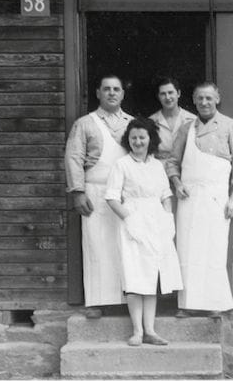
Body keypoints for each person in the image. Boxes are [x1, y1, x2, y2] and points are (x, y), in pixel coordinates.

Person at [167, 82, 233, 318]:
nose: (204, 103)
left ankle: (215, 303)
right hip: (189, 197)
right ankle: (187, 304)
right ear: (193, 100)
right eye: (200, 98)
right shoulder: (186, 128)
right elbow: (173, 161)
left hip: (216, 197)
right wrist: (178, 183)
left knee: (213, 249)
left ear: (217, 99)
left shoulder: (230, 126)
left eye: (209, 98)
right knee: (187, 248)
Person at [105, 117, 183, 346]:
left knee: (152, 275)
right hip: (132, 222)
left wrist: (168, 219)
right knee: (134, 275)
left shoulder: (157, 165)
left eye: (142, 137)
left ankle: (150, 330)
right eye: (133, 138)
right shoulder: (122, 165)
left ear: (150, 139)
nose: (138, 142)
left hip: (156, 222)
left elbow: (165, 195)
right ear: (128, 140)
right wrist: (130, 219)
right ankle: (137, 331)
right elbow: (111, 197)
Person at [64, 74, 133, 316]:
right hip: (94, 191)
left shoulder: (132, 123)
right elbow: (73, 158)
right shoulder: (85, 123)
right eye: (107, 89)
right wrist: (78, 192)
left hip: (124, 194)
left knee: (123, 245)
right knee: (96, 245)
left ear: (123, 93)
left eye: (116, 89)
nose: (112, 93)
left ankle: (127, 302)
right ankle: (96, 302)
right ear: (98, 93)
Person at [148, 76, 196, 170]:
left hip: (185, 170)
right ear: (158, 97)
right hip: (160, 171)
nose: (167, 97)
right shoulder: (151, 122)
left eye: (170, 93)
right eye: (163, 94)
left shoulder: (192, 120)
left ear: (178, 93)